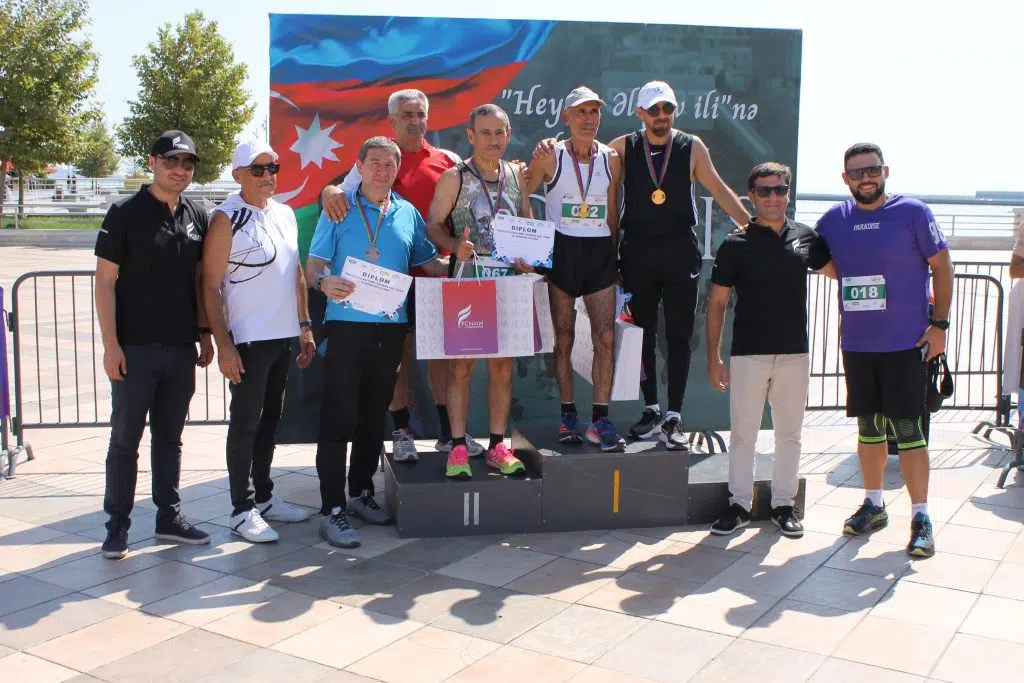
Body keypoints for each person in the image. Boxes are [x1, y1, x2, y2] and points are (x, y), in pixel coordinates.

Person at [536, 81, 751, 449]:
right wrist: (547, 146)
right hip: (636, 251)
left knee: (679, 335)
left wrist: (753, 227)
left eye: (667, 109)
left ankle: (674, 416)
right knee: (642, 334)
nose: (661, 116)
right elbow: (587, 169)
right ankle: (651, 409)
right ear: (640, 114)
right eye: (653, 110)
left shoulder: (692, 147)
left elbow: (718, 189)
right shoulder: (620, 148)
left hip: (679, 250)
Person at [320, 90, 483, 462]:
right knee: (399, 360)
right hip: (387, 284)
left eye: (420, 114)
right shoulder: (381, 159)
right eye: (407, 114)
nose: (415, 121)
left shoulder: (448, 160)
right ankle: (402, 431)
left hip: (436, 276)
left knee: (442, 356)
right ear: (392, 120)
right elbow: (338, 192)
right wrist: (329, 191)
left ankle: (448, 433)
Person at [306, 136, 447, 548]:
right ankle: (331, 509)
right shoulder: (338, 207)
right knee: (338, 417)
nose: (382, 170)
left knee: (372, 417)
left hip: (390, 329)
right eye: (375, 163)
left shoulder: (407, 213)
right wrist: (323, 282)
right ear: (361, 166)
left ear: (397, 170)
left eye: (389, 164)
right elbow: (313, 264)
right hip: (346, 328)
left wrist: (465, 256)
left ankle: (361, 493)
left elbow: (429, 264)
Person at [815, 142, 953, 558]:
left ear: (885, 171)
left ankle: (921, 517)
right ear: (845, 178)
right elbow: (818, 258)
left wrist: (940, 326)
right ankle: (874, 505)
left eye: (872, 170)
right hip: (858, 344)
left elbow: (942, 266)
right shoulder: (833, 220)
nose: (866, 178)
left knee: (909, 431)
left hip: (907, 344)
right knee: (869, 430)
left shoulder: (913, 212)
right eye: (857, 173)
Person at [94, 130, 214, 560]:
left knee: (170, 438)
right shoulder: (124, 213)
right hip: (135, 350)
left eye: (187, 163)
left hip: (180, 349)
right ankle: (117, 526)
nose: (180, 170)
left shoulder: (197, 214)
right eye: (171, 161)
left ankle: (169, 518)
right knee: (125, 440)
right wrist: (111, 345)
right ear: (153, 162)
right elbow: (104, 283)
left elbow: (199, 282)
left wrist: (204, 334)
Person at [706, 162, 834, 537]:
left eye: (780, 190)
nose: (773, 197)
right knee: (743, 435)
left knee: (789, 435)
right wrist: (714, 357)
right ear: (751, 196)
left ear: (788, 194)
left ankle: (783, 506)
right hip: (749, 353)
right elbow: (717, 304)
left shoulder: (806, 237)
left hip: (795, 353)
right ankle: (739, 505)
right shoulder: (735, 244)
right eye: (764, 191)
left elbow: (840, 272)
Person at [202, 141, 316, 543]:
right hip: (248, 339)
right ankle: (241, 509)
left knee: (270, 421)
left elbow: (295, 273)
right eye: (258, 169)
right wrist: (224, 345)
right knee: (245, 424)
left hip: (282, 335)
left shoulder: (284, 213)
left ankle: (264, 498)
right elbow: (210, 286)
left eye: (273, 168)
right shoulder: (225, 218)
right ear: (238, 175)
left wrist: (304, 325)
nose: (268, 176)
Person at [426, 104, 533, 479]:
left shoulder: (516, 175)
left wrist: (528, 256)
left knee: (503, 368)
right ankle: (457, 447)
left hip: (507, 281)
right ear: (471, 135)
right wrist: (453, 245)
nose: (493, 139)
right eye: (485, 132)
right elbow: (432, 225)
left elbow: (527, 224)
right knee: (461, 368)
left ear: (508, 135)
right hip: (469, 280)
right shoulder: (454, 177)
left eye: (499, 132)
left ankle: (497, 446)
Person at [524, 86, 624, 452]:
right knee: (563, 338)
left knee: (605, 337)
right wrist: (532, 242)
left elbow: (611, 210)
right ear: (566, 117)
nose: (589, 118)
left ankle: (600, 419)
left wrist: (615, 256)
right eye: (581, 112)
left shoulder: (611, 158)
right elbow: (521, 193)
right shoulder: (551, 155)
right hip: (562, 250)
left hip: (598, 252)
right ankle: (568, 414)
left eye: (594, 111)